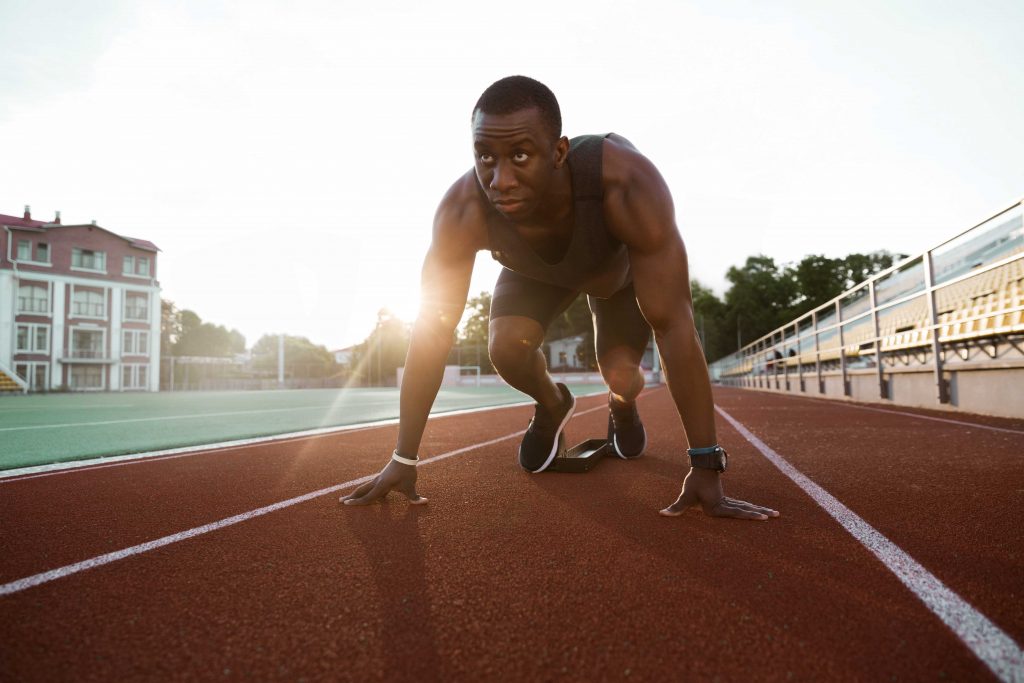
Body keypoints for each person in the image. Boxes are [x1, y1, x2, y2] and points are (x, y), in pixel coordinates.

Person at [343, 76, 779, 521]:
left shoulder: (627, 182)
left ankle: (622, 405)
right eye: (485, 157)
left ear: (558, 152)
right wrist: (404, 457)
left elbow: (673, 324)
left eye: (519, 155)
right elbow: (432, 333)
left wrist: (705, 462)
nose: (501, 180)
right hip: (535, 271)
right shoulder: (463, 210)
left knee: (622, 374)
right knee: (504, 348)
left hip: (614, 272)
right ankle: (553, 403)